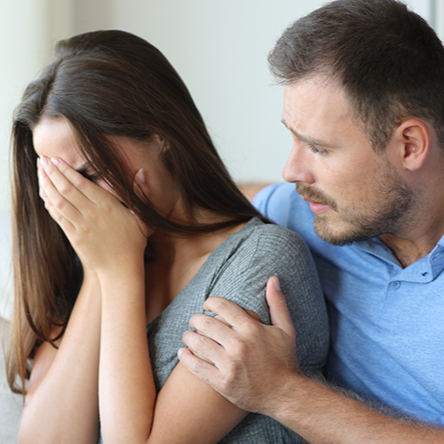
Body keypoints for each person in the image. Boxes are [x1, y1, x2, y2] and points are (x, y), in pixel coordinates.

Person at [6, 30, 328, 443]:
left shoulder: (261, 260)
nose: (81, 203)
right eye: (61, 184)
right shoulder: (85, 262)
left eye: (90, 174)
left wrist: (119, 272)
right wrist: (99, 271)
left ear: (158, 133)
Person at [178, 0, 444, 442]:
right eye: (293, 139)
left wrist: (282, 392)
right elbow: (215, 200)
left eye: (319, 148)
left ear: (410, 146)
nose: (292, 171)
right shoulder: (310, 211)